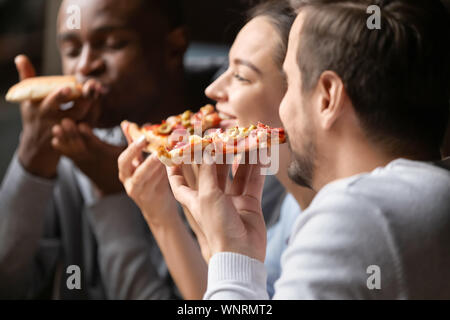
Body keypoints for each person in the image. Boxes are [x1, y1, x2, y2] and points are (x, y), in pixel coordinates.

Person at [167, 0, 450, 299]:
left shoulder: (356, 212)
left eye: (289, 83)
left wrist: (229, 257)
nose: (283, 108)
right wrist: (239, 258)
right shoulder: (427, 194)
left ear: (327, 97)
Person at [118, 0, 315, 299]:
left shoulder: (329, 225)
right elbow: (230, 296)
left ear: (306, 92)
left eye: (241, 76)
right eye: (226, 68)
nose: (211, 90)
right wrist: (162, 215)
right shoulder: (293, 205)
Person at [0, 0, 195, 299]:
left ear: (174, 47)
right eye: (72, 50)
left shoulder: (224, 148)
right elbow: (9, 284)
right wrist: (32, 158)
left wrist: (113, 195)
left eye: (113, 44)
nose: (85, 66)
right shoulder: (68, 143)